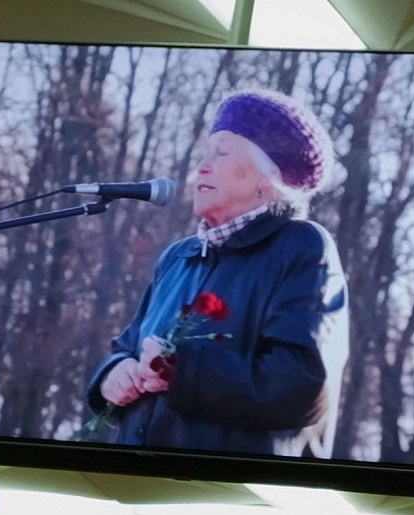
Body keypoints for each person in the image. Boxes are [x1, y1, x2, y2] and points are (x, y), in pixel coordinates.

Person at [86, 89, 349, 458]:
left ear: (268, 177)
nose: (202, 166)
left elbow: (300, 383)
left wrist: (180, 370)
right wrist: (113, 375)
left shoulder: (302, 247)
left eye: (221, 152)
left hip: (231, 486)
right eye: (206, 152)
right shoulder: (178, 257)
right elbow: (127, 348)